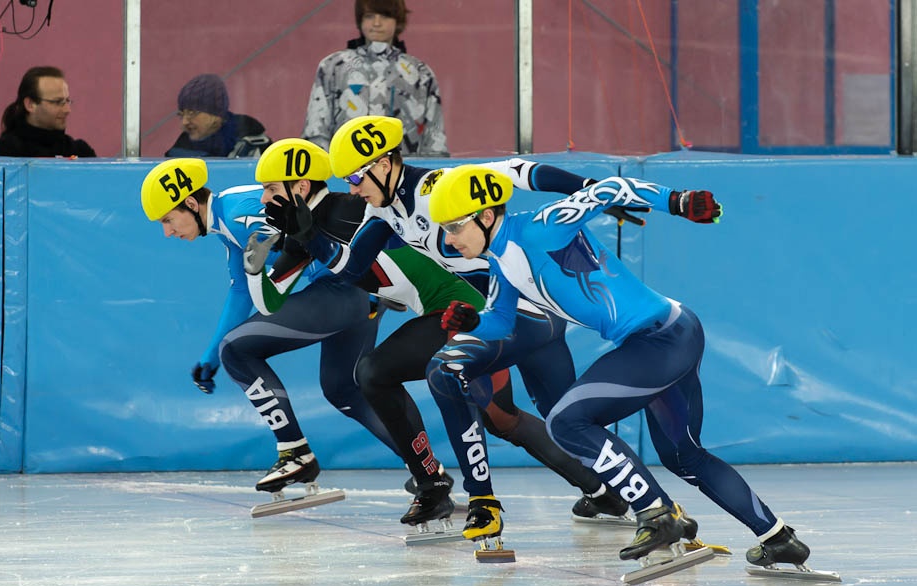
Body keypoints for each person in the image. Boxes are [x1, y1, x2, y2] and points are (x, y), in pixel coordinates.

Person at [426, 164, 814, 567]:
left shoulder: (541, 226)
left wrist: (676, 201)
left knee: (565, 421)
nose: (449, 241)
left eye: (454, 227)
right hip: (669, 333)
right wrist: (473, 323)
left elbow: (612, 187)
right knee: (684, 456)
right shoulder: (501, 261)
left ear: (487, 216)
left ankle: (658, 515)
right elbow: (502, 320)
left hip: (659, 338)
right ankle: (778, 537)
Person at [276, 115, 632, 538]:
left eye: (355, 177)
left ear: (386, 164)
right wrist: (309, 237)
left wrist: (588, 189)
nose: (352, 189)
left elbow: (516, 170)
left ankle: (644, 502)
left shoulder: (436, 188)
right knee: (476, 401)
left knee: (563, 419)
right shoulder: (383, 212)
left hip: (530, 307)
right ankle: (567, 493)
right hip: (500, 311)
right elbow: (353, 270)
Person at [248, 137, 504, 526]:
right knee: (368, 378)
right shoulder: (305, 234)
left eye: (270, 188)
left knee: (503, 416)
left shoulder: (359, 208)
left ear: (299, 187)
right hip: (432, 308)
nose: (264, 198)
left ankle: (449, 485)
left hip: (460, 304)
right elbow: (270, 302)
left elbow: (406, 249)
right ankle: (434, 480)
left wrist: (381, 299)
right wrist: (255, 268)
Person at [139, 156, 402, 493]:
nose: (167, 232)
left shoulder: (237, 211)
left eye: (168, 220)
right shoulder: (227, 222)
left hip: (344, 289)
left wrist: (223, 351)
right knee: (343, 389)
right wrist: (210, 357)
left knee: (237, 348)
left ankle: (294, 451)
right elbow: (240, 292)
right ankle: (427, 471)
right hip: (357, 292)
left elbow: (297, 246)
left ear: (190, 202)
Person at [302, 0, 448, 156]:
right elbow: (316, 130)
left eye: (385, 16)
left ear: (397, 21)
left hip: (403, 172)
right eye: (369, 16)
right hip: (345, 172)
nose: (377, 23)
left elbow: (434, 136)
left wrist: (432, 172)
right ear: (360, 20)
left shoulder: (420, 73)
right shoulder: (334, 67)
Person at [0, 66, 96, 157]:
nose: (67, 110)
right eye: (57, 102)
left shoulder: (81, 152)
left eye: (67, 101)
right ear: (30, 105)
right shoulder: (4, 153)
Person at [165, 74, 272, 158]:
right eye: (181, 114)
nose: (184, 122)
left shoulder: (253, 142)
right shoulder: (179, 150)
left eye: (192, 113)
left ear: (216, 114)